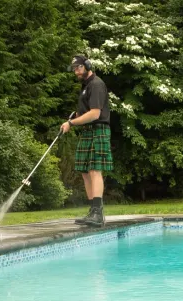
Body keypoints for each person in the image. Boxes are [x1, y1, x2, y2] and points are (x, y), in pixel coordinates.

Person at [61, 55, 112, 226]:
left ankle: (98, 213)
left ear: (87, 65)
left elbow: (95, 113)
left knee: (94, 170)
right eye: (74, 69)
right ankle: (92, 211)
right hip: (87, 131)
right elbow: (85, 112)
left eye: (79, 68)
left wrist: (71, 123)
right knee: (84, 171)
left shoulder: (96, 84)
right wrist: (75, 117)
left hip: (98, 130)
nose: (76, 71)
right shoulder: (86, 86)